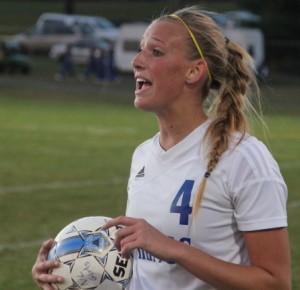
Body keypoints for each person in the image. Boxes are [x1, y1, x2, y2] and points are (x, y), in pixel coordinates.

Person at [32, 6, 291, 290]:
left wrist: (174, 249)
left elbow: (275, 282)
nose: (136, 61)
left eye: (155, 52)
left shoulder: (243, 158)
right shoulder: (142, 155)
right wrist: (66, 271)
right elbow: (144, 271)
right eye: (141, 50)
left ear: (194, 71)